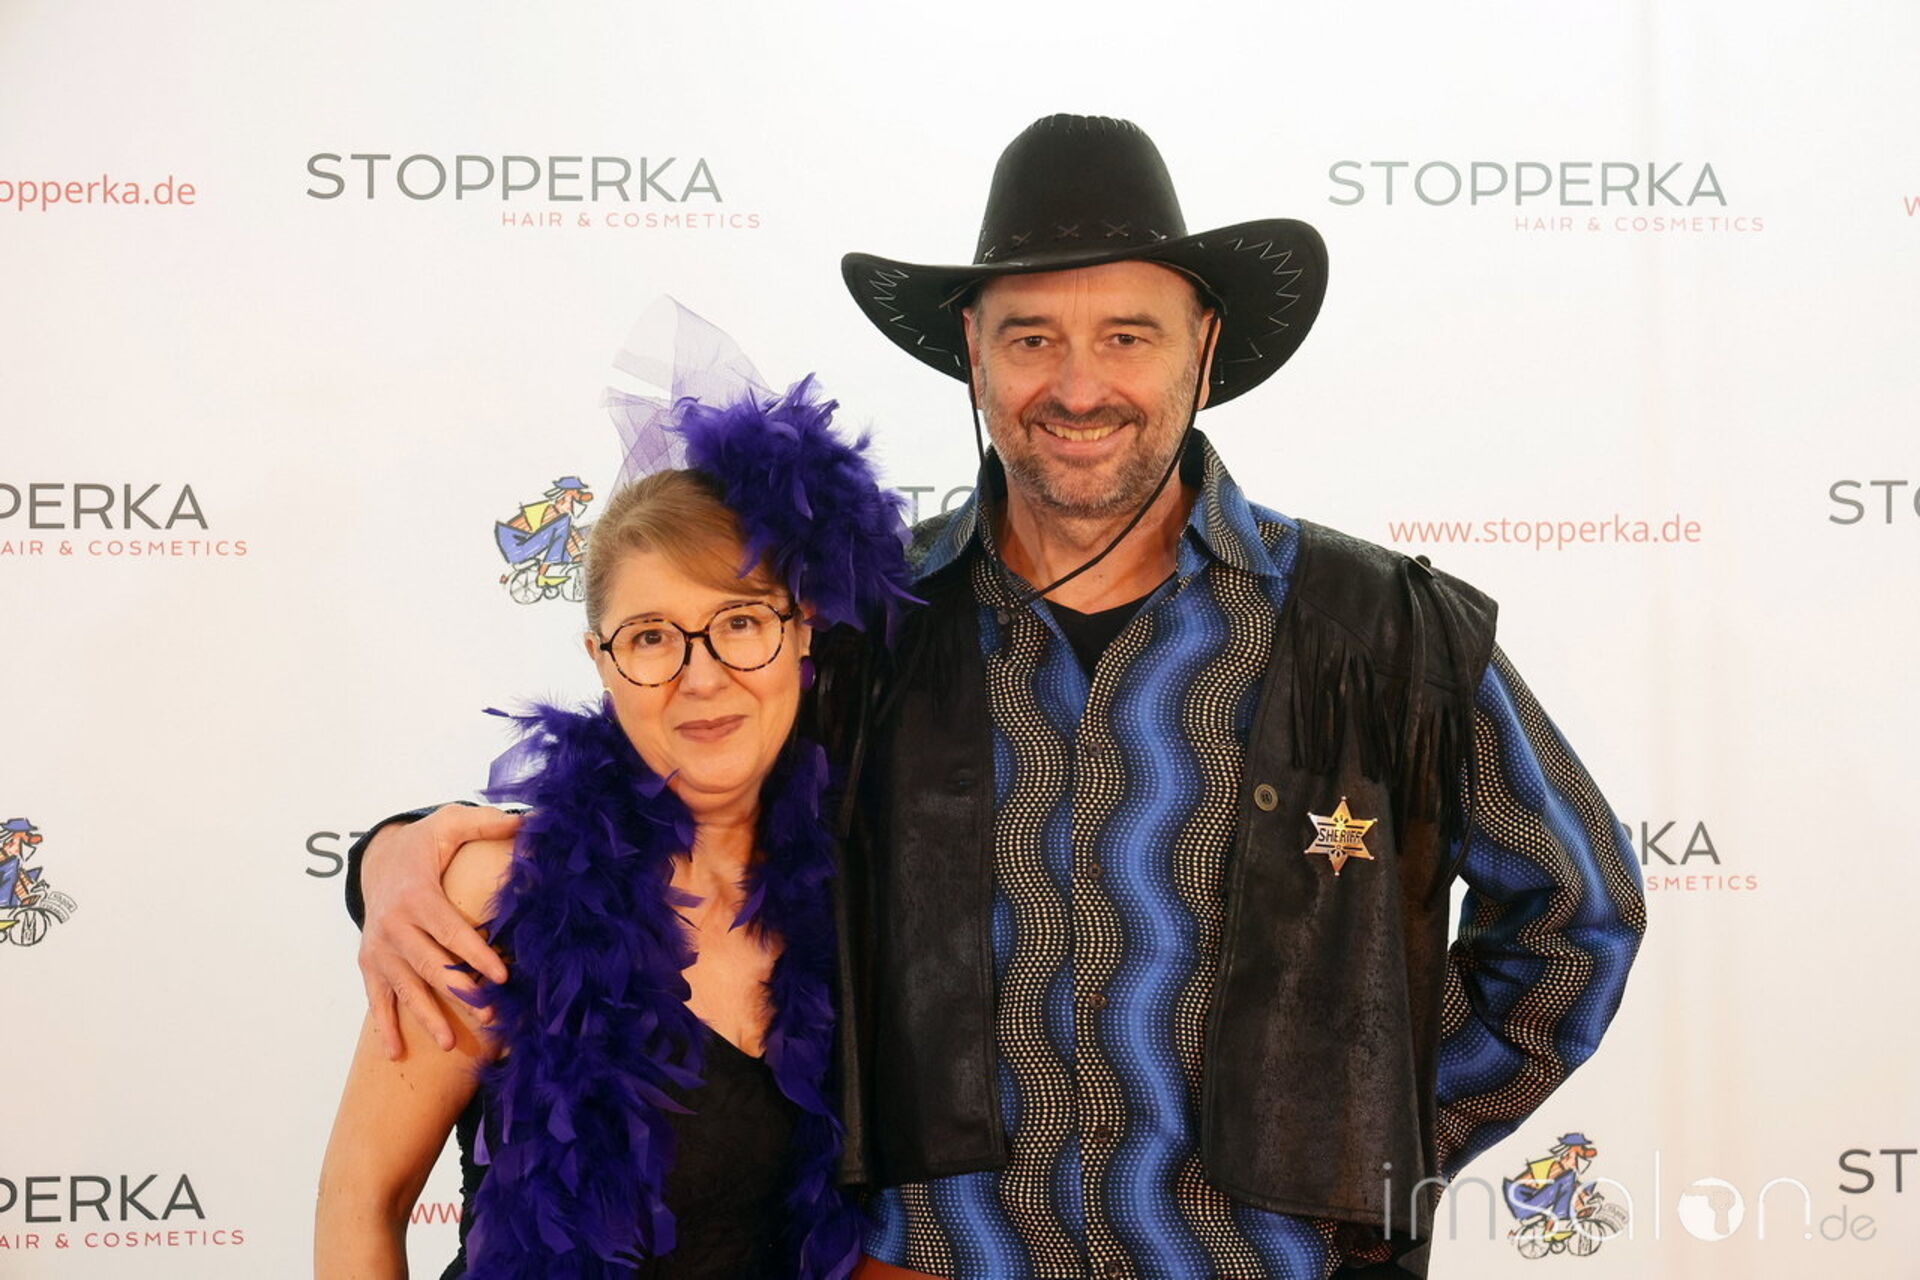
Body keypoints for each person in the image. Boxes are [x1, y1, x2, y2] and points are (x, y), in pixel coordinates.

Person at [349, 115, 1647, 1279]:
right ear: (973, 355)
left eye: (1127, 335)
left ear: (1203, 350)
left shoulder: (1383, 629)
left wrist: (1364, 1139)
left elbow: (1576, 917)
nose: (1077, 385)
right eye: (1032, 338)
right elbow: (675, 771)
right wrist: (406, 852)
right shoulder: (863, 627)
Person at [316, 379, 909, 1279]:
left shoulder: (859, 895)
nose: (701, 677)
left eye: (739, 621)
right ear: (601, 661)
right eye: (651, 637)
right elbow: (364, 1198)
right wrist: (390, 855)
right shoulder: (499, 894)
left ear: (802, 633)